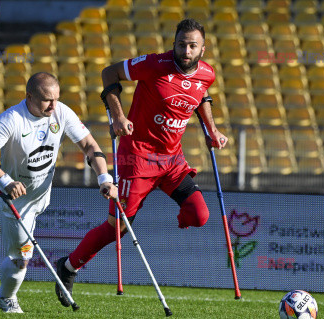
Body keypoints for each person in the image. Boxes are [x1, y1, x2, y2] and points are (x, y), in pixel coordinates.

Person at [54, 18, 228, 307]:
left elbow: (201, 97)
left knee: (199, 215)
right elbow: (109, 72)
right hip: (137, 158)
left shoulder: (207, 74)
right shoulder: (155, 64)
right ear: (174, 44)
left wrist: (213, 129)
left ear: (202, 49)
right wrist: (118, 115)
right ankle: (68, 267)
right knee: (116, 228)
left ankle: (176, 218)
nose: (186, 50)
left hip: (173, 161)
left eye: (192, 46)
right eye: (181, 44)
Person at [0, 72, 117, 313]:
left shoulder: (61, 111)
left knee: (23, 256)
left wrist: (104, 178)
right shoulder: (13, 119)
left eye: (56, 99)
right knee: (21, 259)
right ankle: (6, 298)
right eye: (46, 100)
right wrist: (6, 181)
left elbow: (90, 145)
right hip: (16, 202)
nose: (53, 105)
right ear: (29, 96)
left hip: (42, 195)